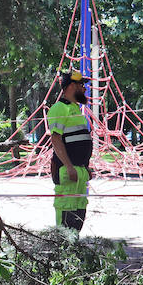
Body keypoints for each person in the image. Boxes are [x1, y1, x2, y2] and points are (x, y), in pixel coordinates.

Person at [47, 68, 93, 231]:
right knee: (66, 219)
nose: (84, 88)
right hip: (67, 171)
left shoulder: (75, 109)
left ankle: (74, 253)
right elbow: (56, 139)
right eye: (82, 85)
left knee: (78, 215)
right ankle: (64, 254)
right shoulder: (60, 108)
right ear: (72, 86)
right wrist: (68, 166)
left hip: (78, 171)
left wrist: (85, 167)